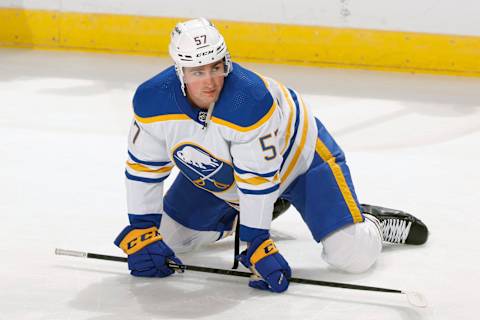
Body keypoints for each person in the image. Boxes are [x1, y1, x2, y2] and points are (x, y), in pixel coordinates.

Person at [114, 18, 428, 293]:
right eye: (197, 71)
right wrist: (142, 229)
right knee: (171, 239)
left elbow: (257, 180)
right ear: (179, 71)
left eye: (216, 67)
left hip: (301, 163)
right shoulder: (152, 101)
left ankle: (367, 219)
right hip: (227, 174)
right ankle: (249, 213)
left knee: (352, 255)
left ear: (227, 61)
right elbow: (143, 169)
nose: (209, 82)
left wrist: (257, 243)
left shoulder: (248, 101)